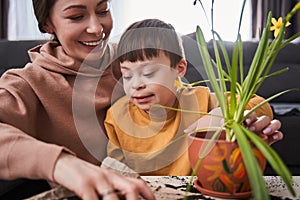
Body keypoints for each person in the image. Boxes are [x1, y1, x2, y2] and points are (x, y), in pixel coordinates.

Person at [0, 0, 155, 200]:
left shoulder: (134, 57)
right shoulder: (27, 84)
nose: (97, 29)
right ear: (47, 23)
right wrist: (61, 164)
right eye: (76, 16)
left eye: (102, 11)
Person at [104, 18, 283, 176]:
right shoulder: (117, 115)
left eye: (149, 73)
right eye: (127, 75)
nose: (136, 84)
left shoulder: (200, 99)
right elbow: (115, 170)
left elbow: (259, 103)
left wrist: (221, 116)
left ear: (179, 69)